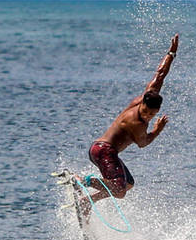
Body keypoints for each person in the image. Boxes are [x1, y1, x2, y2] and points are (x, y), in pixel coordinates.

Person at [76, 34, 179, 218]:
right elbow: (143, 143)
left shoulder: (147, 94)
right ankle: (83, 181)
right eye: (146, 112)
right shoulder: (136, 123)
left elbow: (160, 74)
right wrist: (157, 130)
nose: (147, 116)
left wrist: (171, 53)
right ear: (143, 104)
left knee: (128, 184)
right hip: (103, 150)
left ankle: (86, 201)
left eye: (152, 114)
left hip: (104, 150)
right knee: (119, 190)